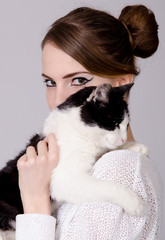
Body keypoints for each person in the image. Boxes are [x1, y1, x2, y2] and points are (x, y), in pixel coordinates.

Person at [15, 5, 162, 240]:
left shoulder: (119, 170)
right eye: (50, 83)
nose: (59, 99)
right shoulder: (97, 160)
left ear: (121, 83)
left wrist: (34, 203)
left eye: (78, 80)